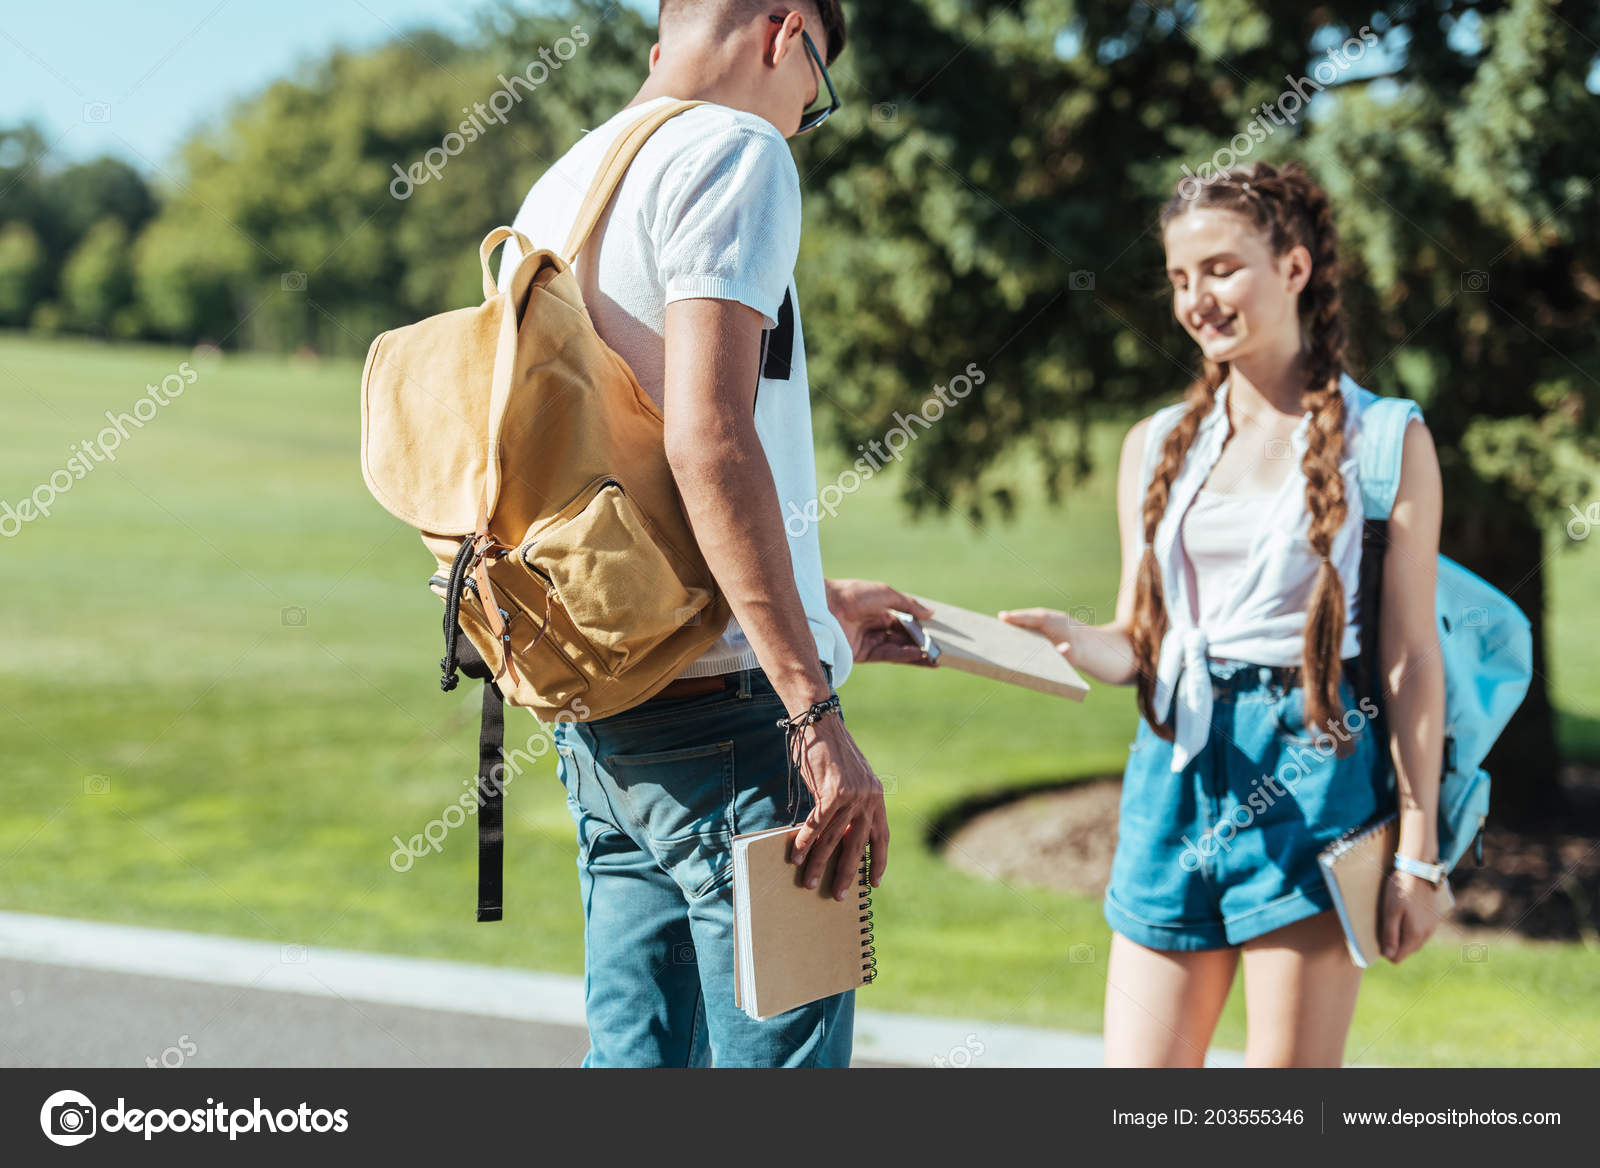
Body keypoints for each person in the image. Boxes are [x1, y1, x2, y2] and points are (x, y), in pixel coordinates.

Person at [496, 1, 931, 1068]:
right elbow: (706, 438)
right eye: (816, 91)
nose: (802, 120)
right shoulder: (735, 149)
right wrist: (812, 708)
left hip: (611, 712)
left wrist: (814, 602)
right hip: (738, 729)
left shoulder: (560, 187)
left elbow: (624, 464)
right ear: (787, 32)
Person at [1001, 162, 1449, 1067]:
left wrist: (1419, 851)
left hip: (1316, 774)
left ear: (1294, 267)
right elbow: (1140, 644)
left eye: (1221, 268)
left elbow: (1408, 658)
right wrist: (1076, 641)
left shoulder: (1386, 437)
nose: (1196, 299)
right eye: (1179, 277)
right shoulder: (1156, 443)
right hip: (1172, 779)